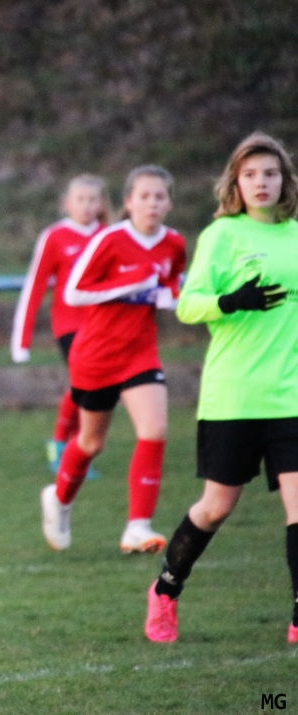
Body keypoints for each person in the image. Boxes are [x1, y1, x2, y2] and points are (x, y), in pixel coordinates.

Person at [144, 132, 298, 644]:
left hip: (291, 394)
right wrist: (231, 302)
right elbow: (188, 306)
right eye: (250, 174)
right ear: (236, 182)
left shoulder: (296, 235)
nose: (261, 182)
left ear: (285, 180)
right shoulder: (222, 236)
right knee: (216, 507)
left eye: (270, 173)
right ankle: (166, 590)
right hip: (234, 395)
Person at [39, 165, 186, 553]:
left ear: (169, 203)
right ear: (128, 202)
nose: (152, 204)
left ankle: (138, 526)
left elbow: (171, 283)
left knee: (154, 430)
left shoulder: (174, 243)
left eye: (160, 197)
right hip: (97, 354)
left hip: (140, 352)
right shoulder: (109, 240)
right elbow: (74, 292)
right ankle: (59, 499)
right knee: (91, 441)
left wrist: (171, 296)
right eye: (144, 196)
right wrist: (130, 285)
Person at [11, 174, 109, 474]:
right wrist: (22, 340)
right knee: (84, 384)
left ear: (101, 204)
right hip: (70, 325)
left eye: (93, 199)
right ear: (67, 204)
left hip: (103, 326)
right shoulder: (55, 236)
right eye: (80, 199)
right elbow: (35, 286)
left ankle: (77, 446)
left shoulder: (109, 235)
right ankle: (62, 444)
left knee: (96, 389)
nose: (87, 205)